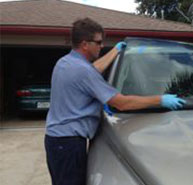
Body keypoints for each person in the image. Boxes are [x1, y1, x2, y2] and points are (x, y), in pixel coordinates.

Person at [44, 17, 185, 185]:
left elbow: (93, 70)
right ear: (84, 44)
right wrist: (160, 99)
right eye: (98, 42)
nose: (102, 45)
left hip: (56, 140)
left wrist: (116, 51)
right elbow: (121, 103)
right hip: (69, 144)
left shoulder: (66, 62)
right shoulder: (82, 71)